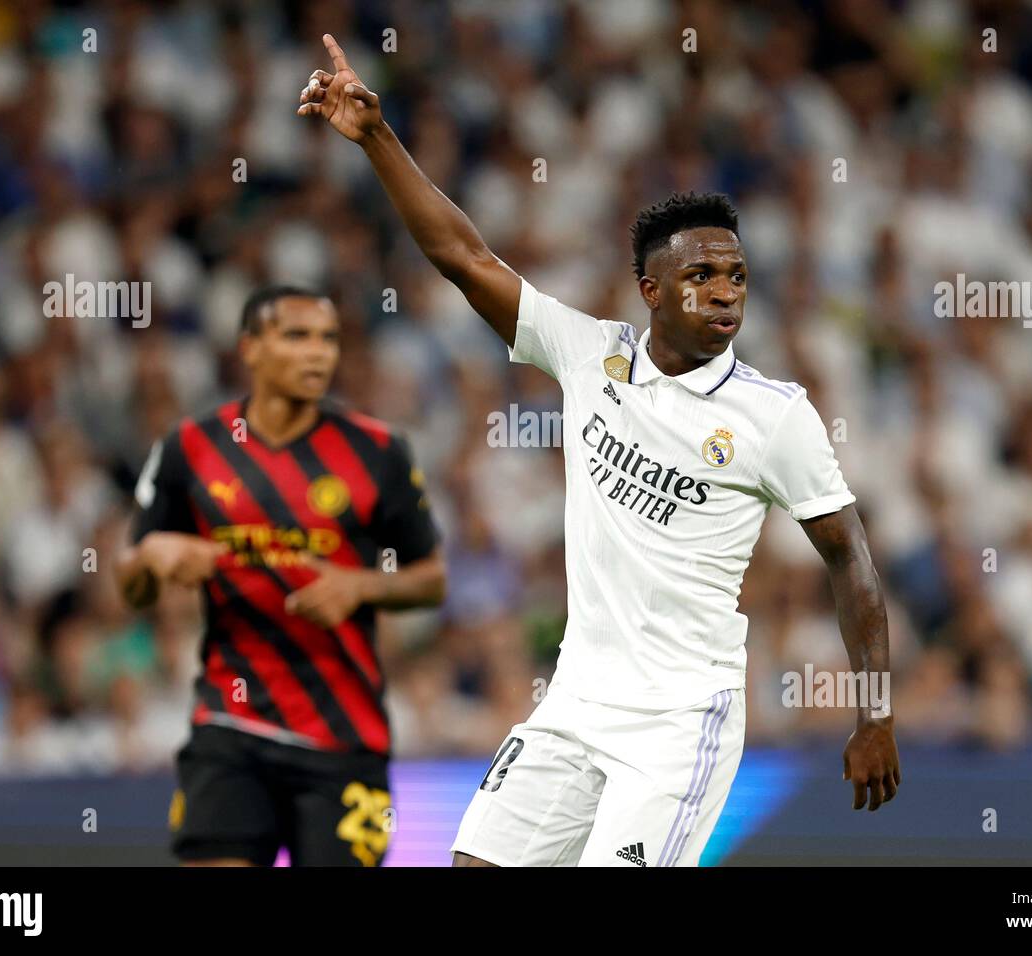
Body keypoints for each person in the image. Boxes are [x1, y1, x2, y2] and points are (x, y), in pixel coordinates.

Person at [299, 34, 900, 868]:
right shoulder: (589, 354)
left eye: (735, 273)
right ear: (651, 291)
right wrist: (376, 138)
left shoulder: (775, 417)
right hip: (577, 697)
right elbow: (462, 257)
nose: (724, 290)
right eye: (701, 276)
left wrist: (873, 712)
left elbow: (850, 555)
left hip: (682, 719)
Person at [114, 286, 445, 866]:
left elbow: (433, 578)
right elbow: (128, 579)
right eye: (297, 336)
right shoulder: (190, 447)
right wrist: (150, 558)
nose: (318, 353)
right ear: (251, 349)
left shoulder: (378, 451)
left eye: (328, 338)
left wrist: (362, 585)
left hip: (344, 735)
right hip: (230, 722)